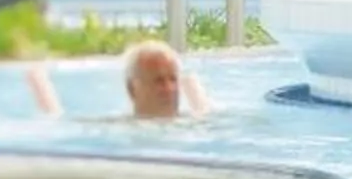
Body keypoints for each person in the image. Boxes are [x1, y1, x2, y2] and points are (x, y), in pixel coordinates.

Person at [25, 40, 213, 121]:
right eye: (158, 81)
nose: (169, 88)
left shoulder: (197, 123)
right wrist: (38, 81)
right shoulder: (117, 128)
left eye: (173, 80)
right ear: (133, 89)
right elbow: (58, 123)